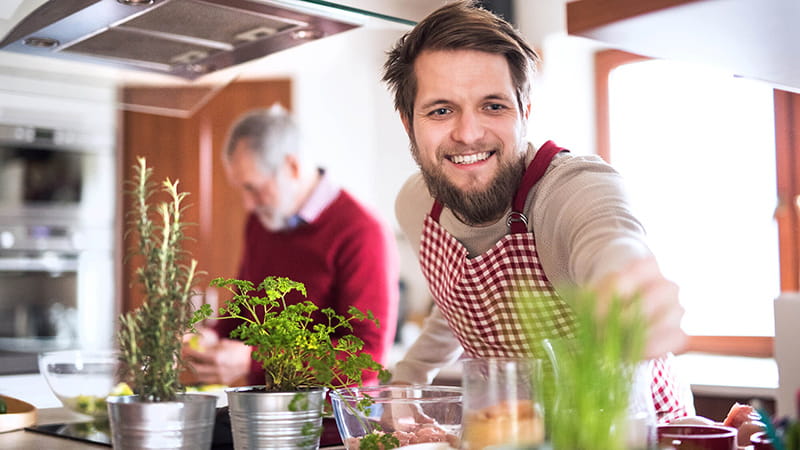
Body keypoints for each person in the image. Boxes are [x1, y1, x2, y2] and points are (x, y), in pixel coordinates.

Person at [382, 1, 693, 423]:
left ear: (525, 111)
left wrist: (631, 288)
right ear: (407, 123)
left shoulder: (571, 189)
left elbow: (611, 242)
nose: (469, 133)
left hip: (637, 431)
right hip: (520, 434)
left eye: (493, 106)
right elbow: (453, 308)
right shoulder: (416, 207)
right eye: (441, 110)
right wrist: (405, 382)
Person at [183, 104, 400, 389]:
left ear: (292, 167)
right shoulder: (262, 221)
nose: (248, 203)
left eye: (253, 187)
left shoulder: (362, 231)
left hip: (333, 425)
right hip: (266, 412)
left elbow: (367, 358)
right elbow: (245, 308)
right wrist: (214, 338)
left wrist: (256, 361)